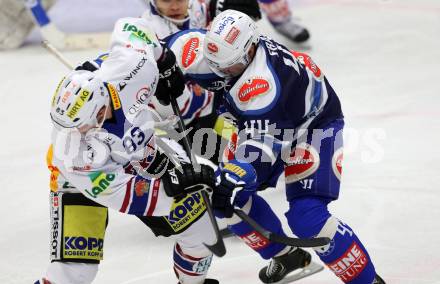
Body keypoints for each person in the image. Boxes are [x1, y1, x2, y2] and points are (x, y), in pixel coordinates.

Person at [165, 10, 385, 283]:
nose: (220, 72)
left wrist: (236, 176)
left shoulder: (264, 83)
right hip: (259, 125)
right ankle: (286, 256)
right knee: (227, 199)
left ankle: (367, 281)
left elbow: (261, 149)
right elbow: (160, 51)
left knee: (307, 217)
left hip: (313, 127)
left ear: (250, 50)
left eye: (229, 66)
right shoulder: (218, 54)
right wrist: (164, 66)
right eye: (214, 63)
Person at [36, 15, 220, 284]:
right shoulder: (71, 152)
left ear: (100, 108)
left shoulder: (132, 69)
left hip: (140, 155)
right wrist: (176, 186)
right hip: (78, 181)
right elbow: (126, 194)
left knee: (202, 229)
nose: (77, 133)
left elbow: (130, 26)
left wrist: (163, 58)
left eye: (83, 125)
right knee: (75, 272)